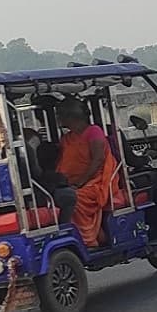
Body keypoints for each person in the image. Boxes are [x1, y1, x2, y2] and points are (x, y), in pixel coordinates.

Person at [55, 98, 118, 248]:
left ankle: (88, 238)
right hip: (72, 182)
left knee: (73, 199)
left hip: (95, 181)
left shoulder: (93, 131)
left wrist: (79, 183)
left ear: (71, 116)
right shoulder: (66, 138)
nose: (58, 119)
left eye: (60, 115)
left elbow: (98, 160)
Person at [24, 128, 76, 225]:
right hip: (35, 190)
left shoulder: (10, 148)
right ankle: (64, 227)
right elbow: (37, 173)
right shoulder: (25, 148)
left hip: (29, 190)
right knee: (69, 195)